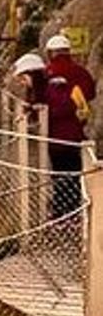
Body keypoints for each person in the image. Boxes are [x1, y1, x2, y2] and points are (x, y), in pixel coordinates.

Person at [45, 34, 97, 217]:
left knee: (58, 172)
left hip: (53, 132)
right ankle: (74, 208)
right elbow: (90, 92)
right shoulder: (80, 72)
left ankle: (61, 209)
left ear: (51, 53)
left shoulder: (47, 72)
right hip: (75, 131)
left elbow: (40, 99)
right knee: (74, 172)